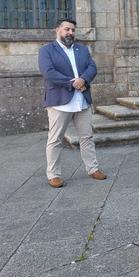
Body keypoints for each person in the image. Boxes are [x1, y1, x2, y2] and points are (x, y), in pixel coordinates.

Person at [38, 18, 106, 188]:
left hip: (81, 100)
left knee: (87, 137)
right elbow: (48, 72)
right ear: (58, 30)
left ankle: (92, 168)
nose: (70, 33)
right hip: (60, 101)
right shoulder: (47, 50)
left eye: (73, 30)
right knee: (55, 139)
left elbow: (92, 67)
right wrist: (71, 82)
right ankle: (53, 174)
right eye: (67, 29)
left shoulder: (81, 49)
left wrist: (83, 79)